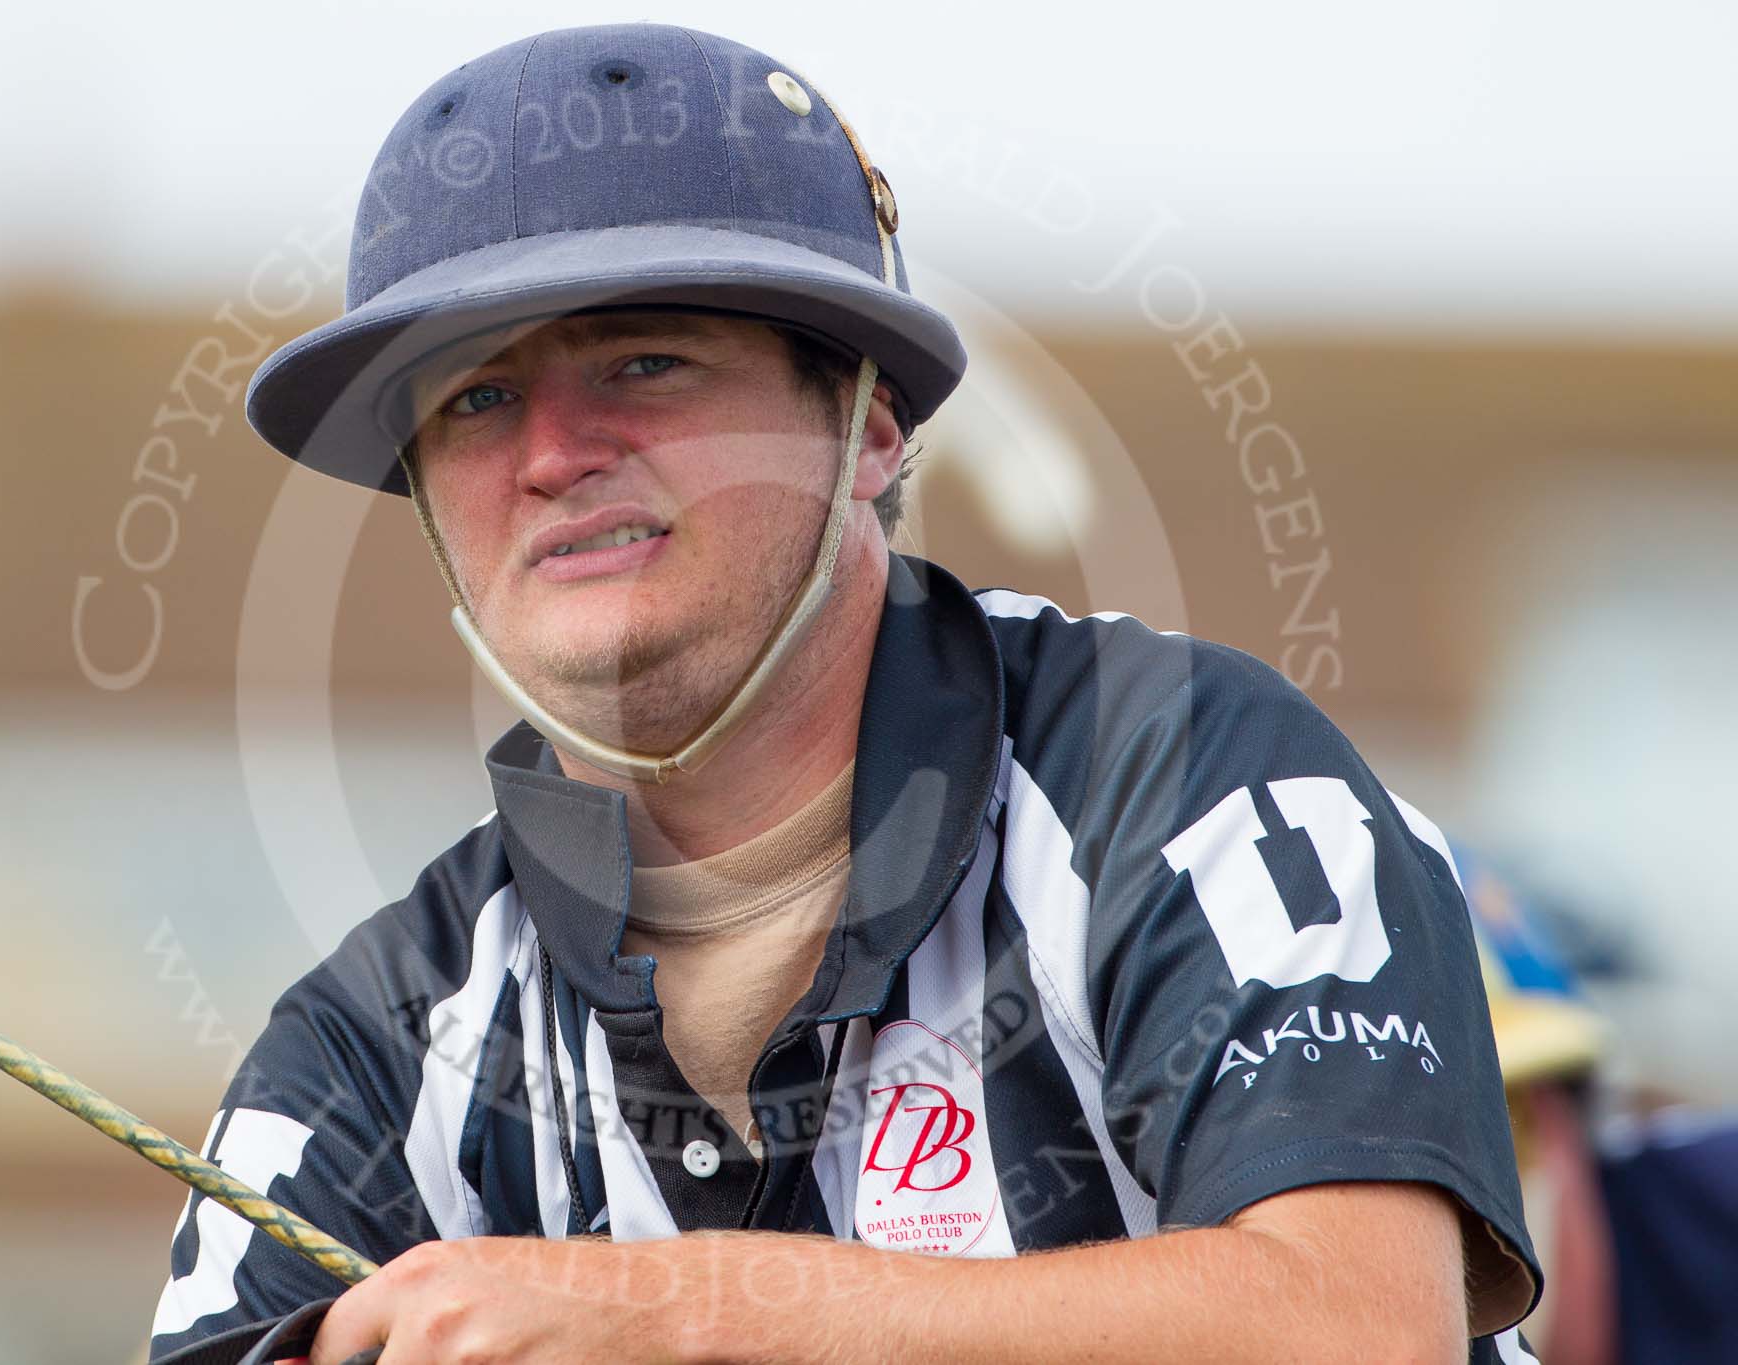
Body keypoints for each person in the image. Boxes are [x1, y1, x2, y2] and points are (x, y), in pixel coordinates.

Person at [148, 23, 1542, 1364]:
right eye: (474, 402)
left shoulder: (1181, 778)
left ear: (869, 425)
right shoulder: (370, 1038)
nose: (556, 453)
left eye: (646, 359)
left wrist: (673, 1313)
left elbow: (1359, 1326)